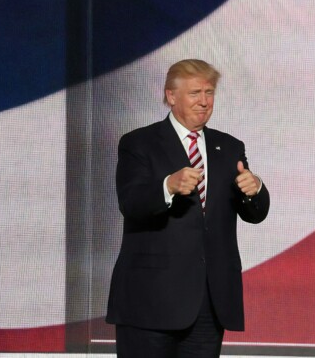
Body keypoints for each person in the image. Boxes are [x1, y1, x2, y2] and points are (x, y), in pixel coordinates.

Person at [106, 59, 271, 358]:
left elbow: (254, 214)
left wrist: (255, 188)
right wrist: (168, 185)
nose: (204, 101)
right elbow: (131, 203)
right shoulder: (139, 143)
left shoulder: (230, 147)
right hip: (150, 300)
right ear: (171, 96)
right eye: (195, 93)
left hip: (209, 302)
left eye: (209, 92)